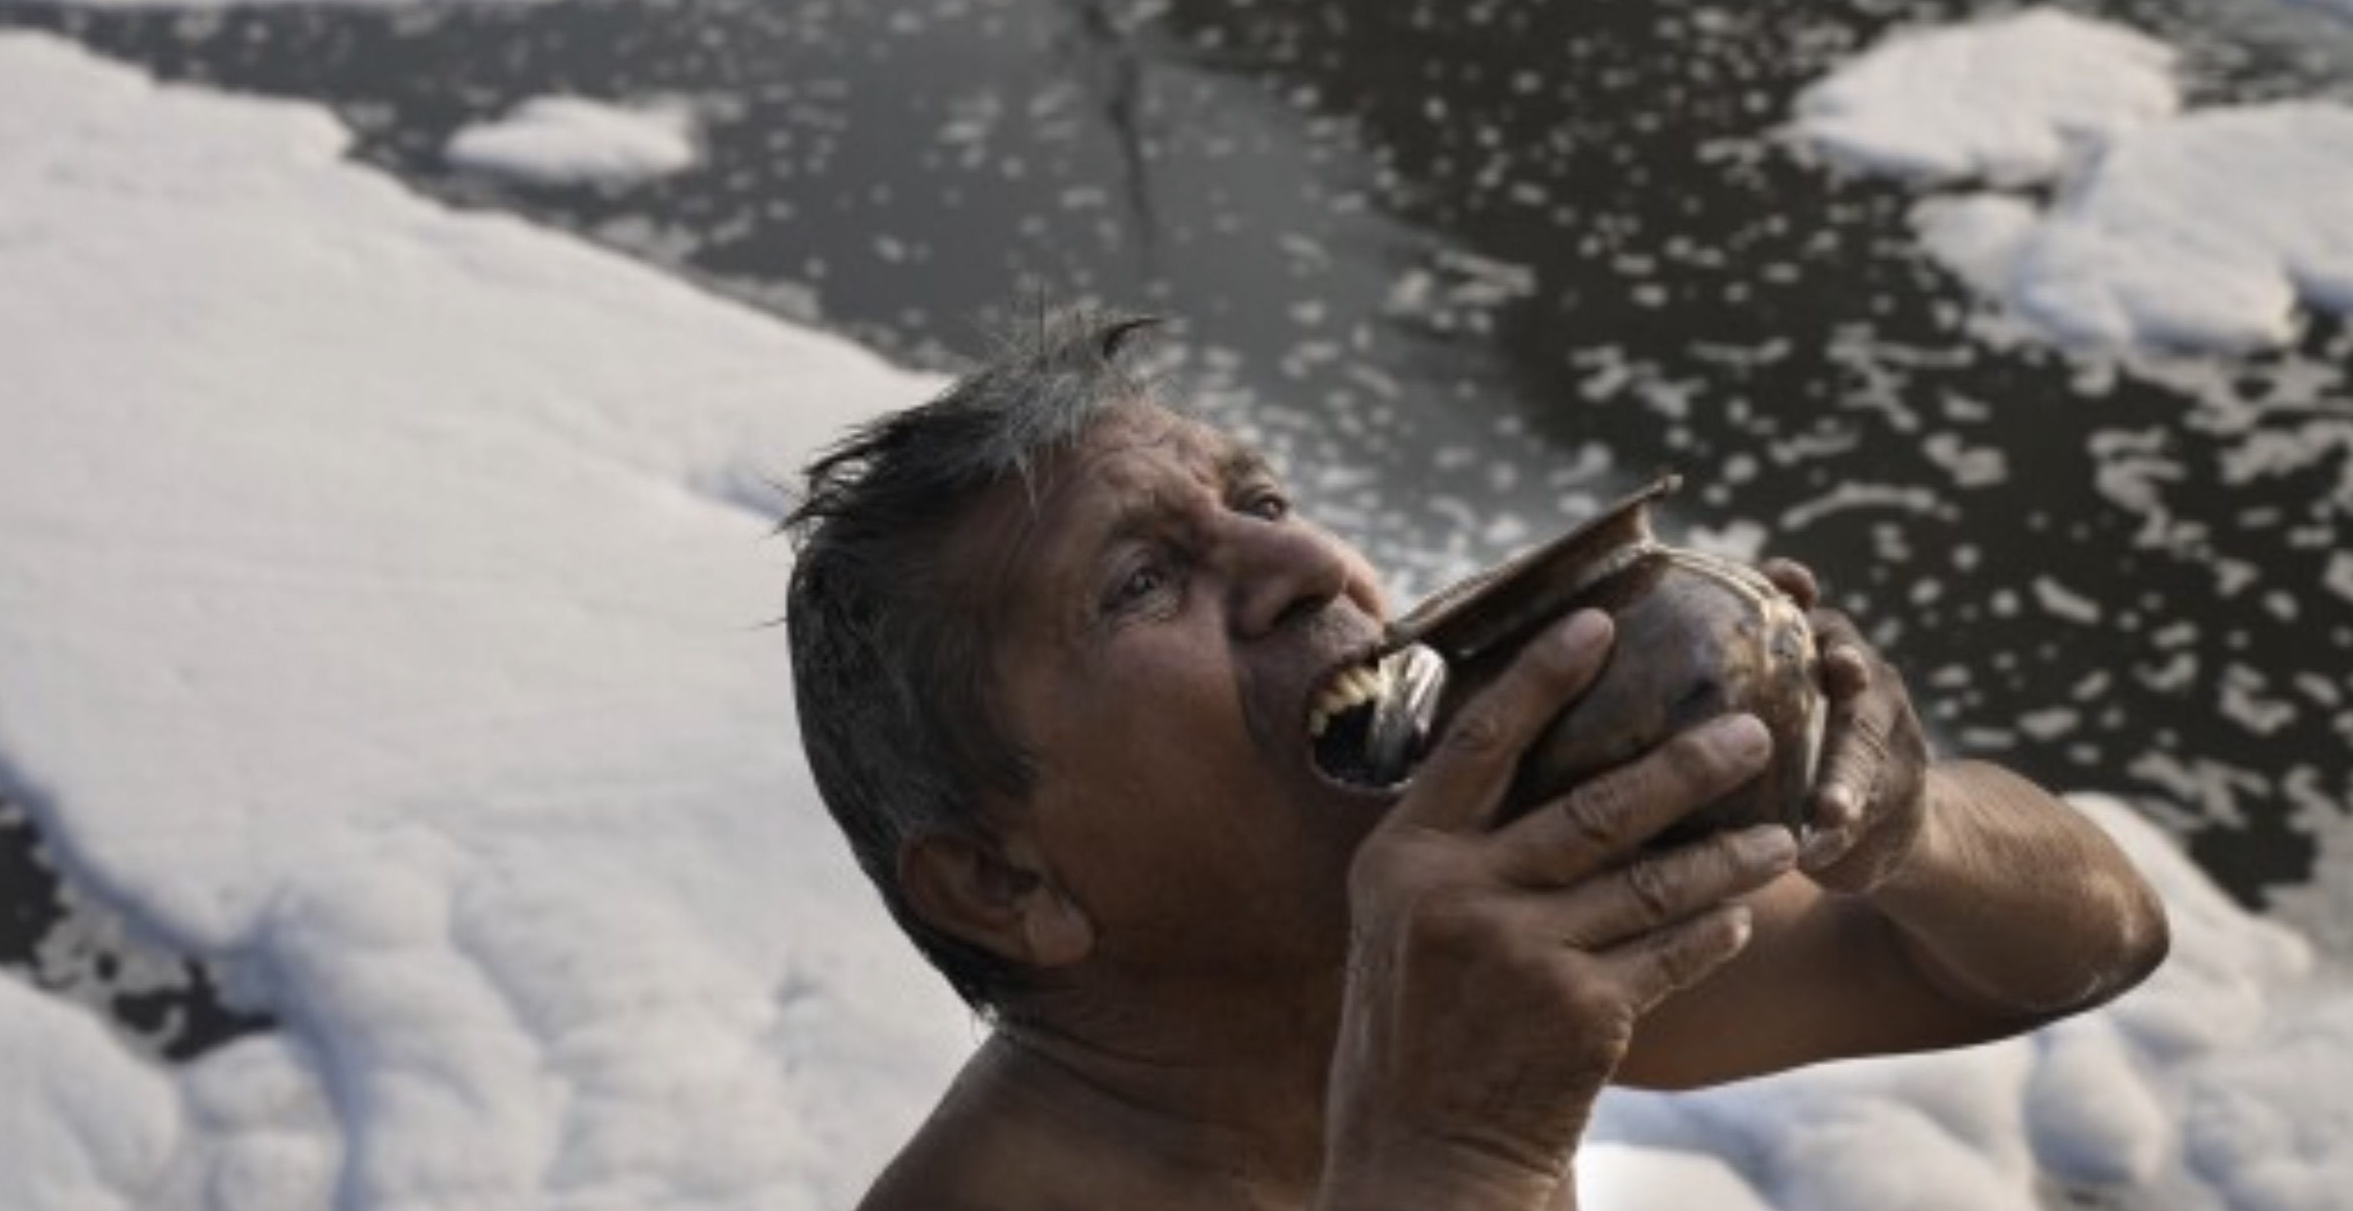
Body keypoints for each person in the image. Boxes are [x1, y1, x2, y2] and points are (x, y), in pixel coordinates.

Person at [780, 310, 2168, 1211]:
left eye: (1260, 501)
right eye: (1141, 583)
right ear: (998, 876)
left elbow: (2088, 945)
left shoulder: (1431, 962)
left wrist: (1899, 835)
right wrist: (1459, 1155)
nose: (1308, 564)